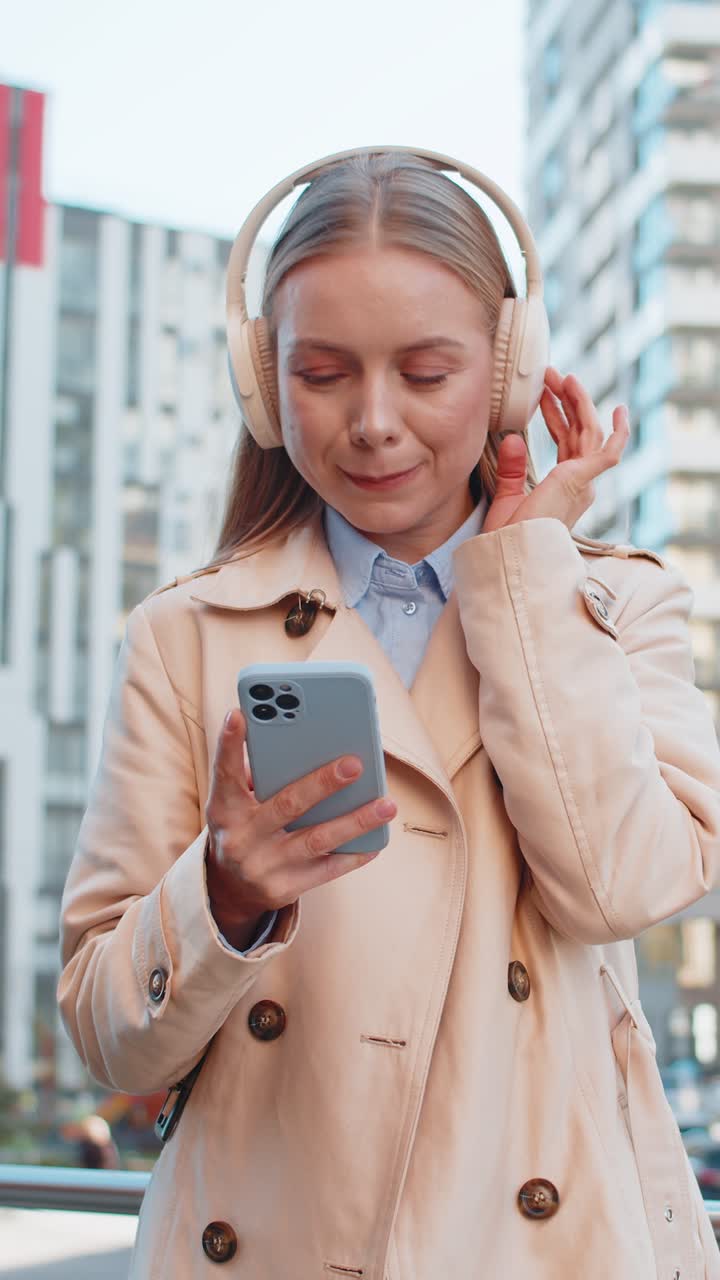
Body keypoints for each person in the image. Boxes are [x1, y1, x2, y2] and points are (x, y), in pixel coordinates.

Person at [58, 147, 720, 1279]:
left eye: (426, 372)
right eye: (321, 373)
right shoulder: (185, 635)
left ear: (507, 374)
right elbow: (108, 1036)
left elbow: (623, 887)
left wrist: (527, 580)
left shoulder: (617, 605)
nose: (372, 422)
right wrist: (223, 898)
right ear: (262, 385)